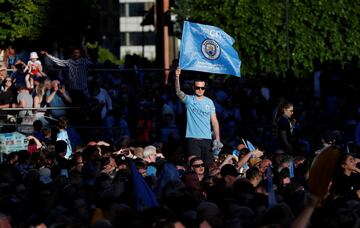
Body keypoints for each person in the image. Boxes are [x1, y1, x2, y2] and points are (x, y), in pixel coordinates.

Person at [175, 67, 222, 167]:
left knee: (209, 167)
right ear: (193, 88)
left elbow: (214, 122)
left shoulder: (209, 102)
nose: (200, 90)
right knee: (195, 166)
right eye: (197, 87)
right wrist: (177, 76)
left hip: (208, 140)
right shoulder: (189, 100)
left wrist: (217, 139)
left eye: (202, 88)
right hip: (193, 139)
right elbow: (178, 92)